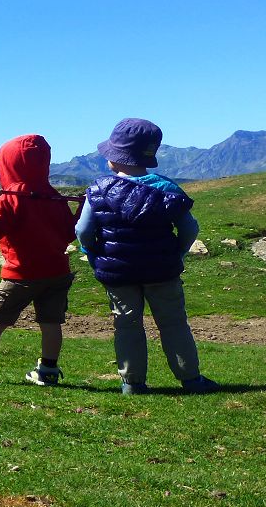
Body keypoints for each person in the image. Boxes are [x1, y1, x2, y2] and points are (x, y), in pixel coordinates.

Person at [75, 118, 220, 394]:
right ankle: (191, 379)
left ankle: (132, 383)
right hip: (162, 269)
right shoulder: (167, 189)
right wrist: (176, 252)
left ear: (115, 158)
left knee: (126, 324)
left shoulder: (98, 190)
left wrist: (91, 250)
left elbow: (83, 230)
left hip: (118, 273)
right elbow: (190, 228)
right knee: (174, 322)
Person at [0, 134, 78, 385]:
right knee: (51, 321)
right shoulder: (54, 197)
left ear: (9, 164)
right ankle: (48, 371)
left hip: (21, 274)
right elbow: (69, 233)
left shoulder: (10, 197)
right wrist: (82, 209)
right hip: (57, 273)